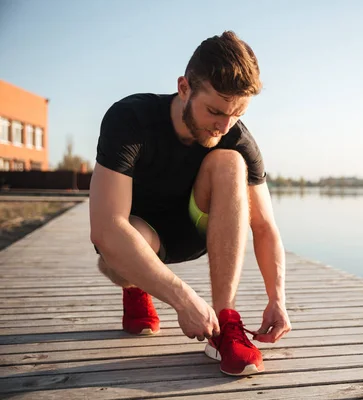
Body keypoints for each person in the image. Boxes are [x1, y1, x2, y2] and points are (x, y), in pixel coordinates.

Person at [89, 31, 291, 376]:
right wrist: (184, 300)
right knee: (118, 253)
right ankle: (136, 288)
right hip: (141, 236)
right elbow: (107, 228)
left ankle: (226, 322)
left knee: (230, 162)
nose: (224, 125)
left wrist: (277, 298)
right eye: (215, 111)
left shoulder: (235, 136)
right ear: (184, 87)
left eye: (237, 113)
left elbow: (264, 226)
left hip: (199, 229)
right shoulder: (131, 119)